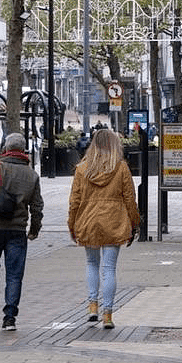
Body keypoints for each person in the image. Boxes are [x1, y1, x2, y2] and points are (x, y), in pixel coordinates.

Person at [67, 129, 140, 329]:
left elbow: (74, 201)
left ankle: (92, 307)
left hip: (88, 221)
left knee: (91, 264)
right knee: (109, 269)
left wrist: (72, 224)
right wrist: (134, 223)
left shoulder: (82, 169)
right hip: (114, 221)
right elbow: (130, 200)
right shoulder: (121, 168)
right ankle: (107, 315)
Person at [0, 133, 43, 331]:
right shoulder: (31, 175)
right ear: (23, 150)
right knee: (14, 274)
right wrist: (34, 230)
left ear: (5, 148)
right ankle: (10, 318)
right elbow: (37, 206)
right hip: (17, 230)